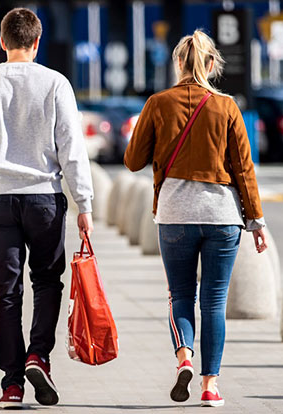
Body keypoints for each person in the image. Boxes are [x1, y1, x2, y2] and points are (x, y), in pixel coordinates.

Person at [0, 8, 94, 409]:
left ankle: (11, 385)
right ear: (37, 41)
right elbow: (72, 150)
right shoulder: (55, 84)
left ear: (2, 41)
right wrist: (84, 203)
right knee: (48, 281)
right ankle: (39, 356)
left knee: (6, 293)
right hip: (44, 198)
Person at [124, 30, 268, 408]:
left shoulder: (158, 103)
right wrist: (256, 221)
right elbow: (244, 169)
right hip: (222, 216)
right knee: (215, 302)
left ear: (177, 64)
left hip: (175, 214)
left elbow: (132, 160)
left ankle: (184, 356)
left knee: (181, 295)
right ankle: (210, 386)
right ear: (209, 64)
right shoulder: (227, 106)